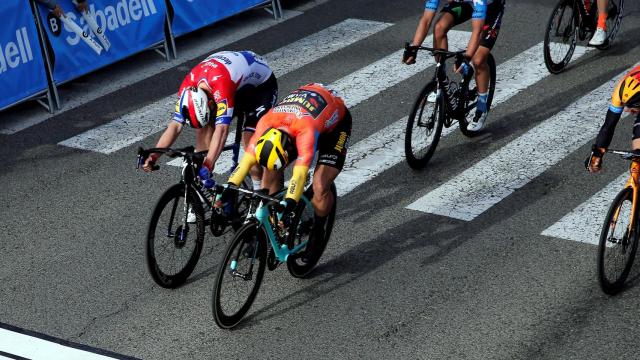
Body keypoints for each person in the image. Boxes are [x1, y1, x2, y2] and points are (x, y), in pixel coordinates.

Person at [220, 83, 351, 259]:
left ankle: (318, 230)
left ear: (290, 150)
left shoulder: (306, 132)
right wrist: (229, 188)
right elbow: (245, 163)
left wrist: (290, 203)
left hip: (335, 128)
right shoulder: (265, 123)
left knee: (320, 185)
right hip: (295, 116)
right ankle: (269, 231)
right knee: (270, 170)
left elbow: (299, 174)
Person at [143, 51, 277, 192]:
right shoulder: (186, 89)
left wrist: (209, 164)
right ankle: (200, 194)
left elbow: (222, 130)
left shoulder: (222, 85)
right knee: (204, 129)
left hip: (261, 88)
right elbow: (175, 126)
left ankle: (258, 191)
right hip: (230, 80)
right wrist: (154, 156)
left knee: (250, 143)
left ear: (212, 103)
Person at [402, 0, 506, 131]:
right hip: (466, 4)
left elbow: (478, 31)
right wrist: (413, 48)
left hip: (491, 9)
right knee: (439, 28)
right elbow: (426, 20)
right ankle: (442, 83)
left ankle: (481, 107)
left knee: (478, 59)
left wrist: (467, 58)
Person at [586, 65, 640, 172]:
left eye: (633, 106)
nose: (627, 110)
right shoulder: (620, 90)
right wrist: (597, 153)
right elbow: (608, 126)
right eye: (626, 105)